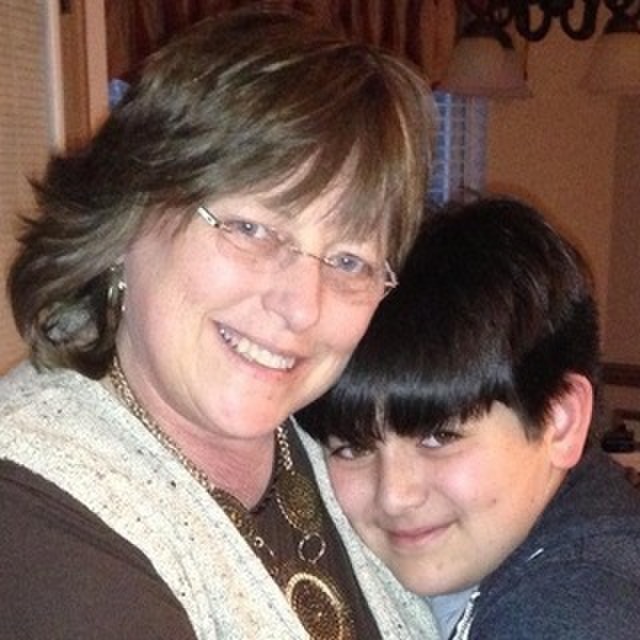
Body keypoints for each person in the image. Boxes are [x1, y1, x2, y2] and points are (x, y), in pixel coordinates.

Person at [0, 8, 440, 639]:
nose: (302, 307)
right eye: (251, 229)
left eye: (349, 261)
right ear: (129, 214)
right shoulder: (34, 513)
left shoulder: (332, 451)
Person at [297, 197, 640, 639]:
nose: (395, 496)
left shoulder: (576, 610)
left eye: (439, 437)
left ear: (561, 420)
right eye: (353, 447)